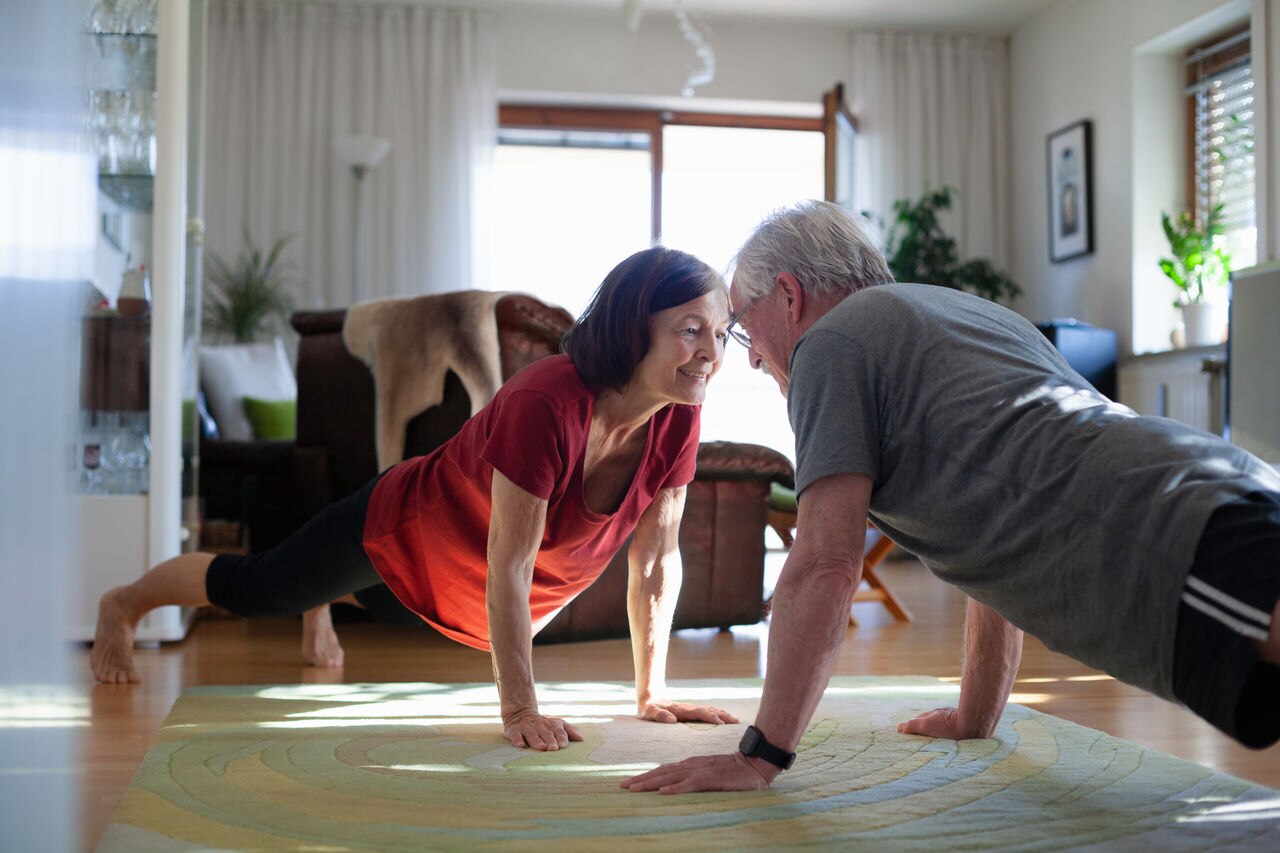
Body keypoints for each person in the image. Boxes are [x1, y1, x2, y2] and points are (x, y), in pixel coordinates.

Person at [623, 200, 1280, 794]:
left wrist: (759, 756)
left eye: (742, 325)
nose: (749, 358)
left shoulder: (830, 344)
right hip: (1204, 486)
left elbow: (825, 561)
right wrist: (975, 715)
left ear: (789, 295)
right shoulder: (965, 315)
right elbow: (988, 540)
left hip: (1164, 532)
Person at [92, 246, 741, 750]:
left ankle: (325, 594)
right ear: (631, 327)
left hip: (461, 595)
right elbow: (509, 562)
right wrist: (520, 708)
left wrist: (653, 692)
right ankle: (124, 603)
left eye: (722, 333)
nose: (711, 353)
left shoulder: (678, 417)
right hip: (402, 529)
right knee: (260, 587)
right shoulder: (546, 402)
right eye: (691, 329)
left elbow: (656, 562)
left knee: (387, 607)